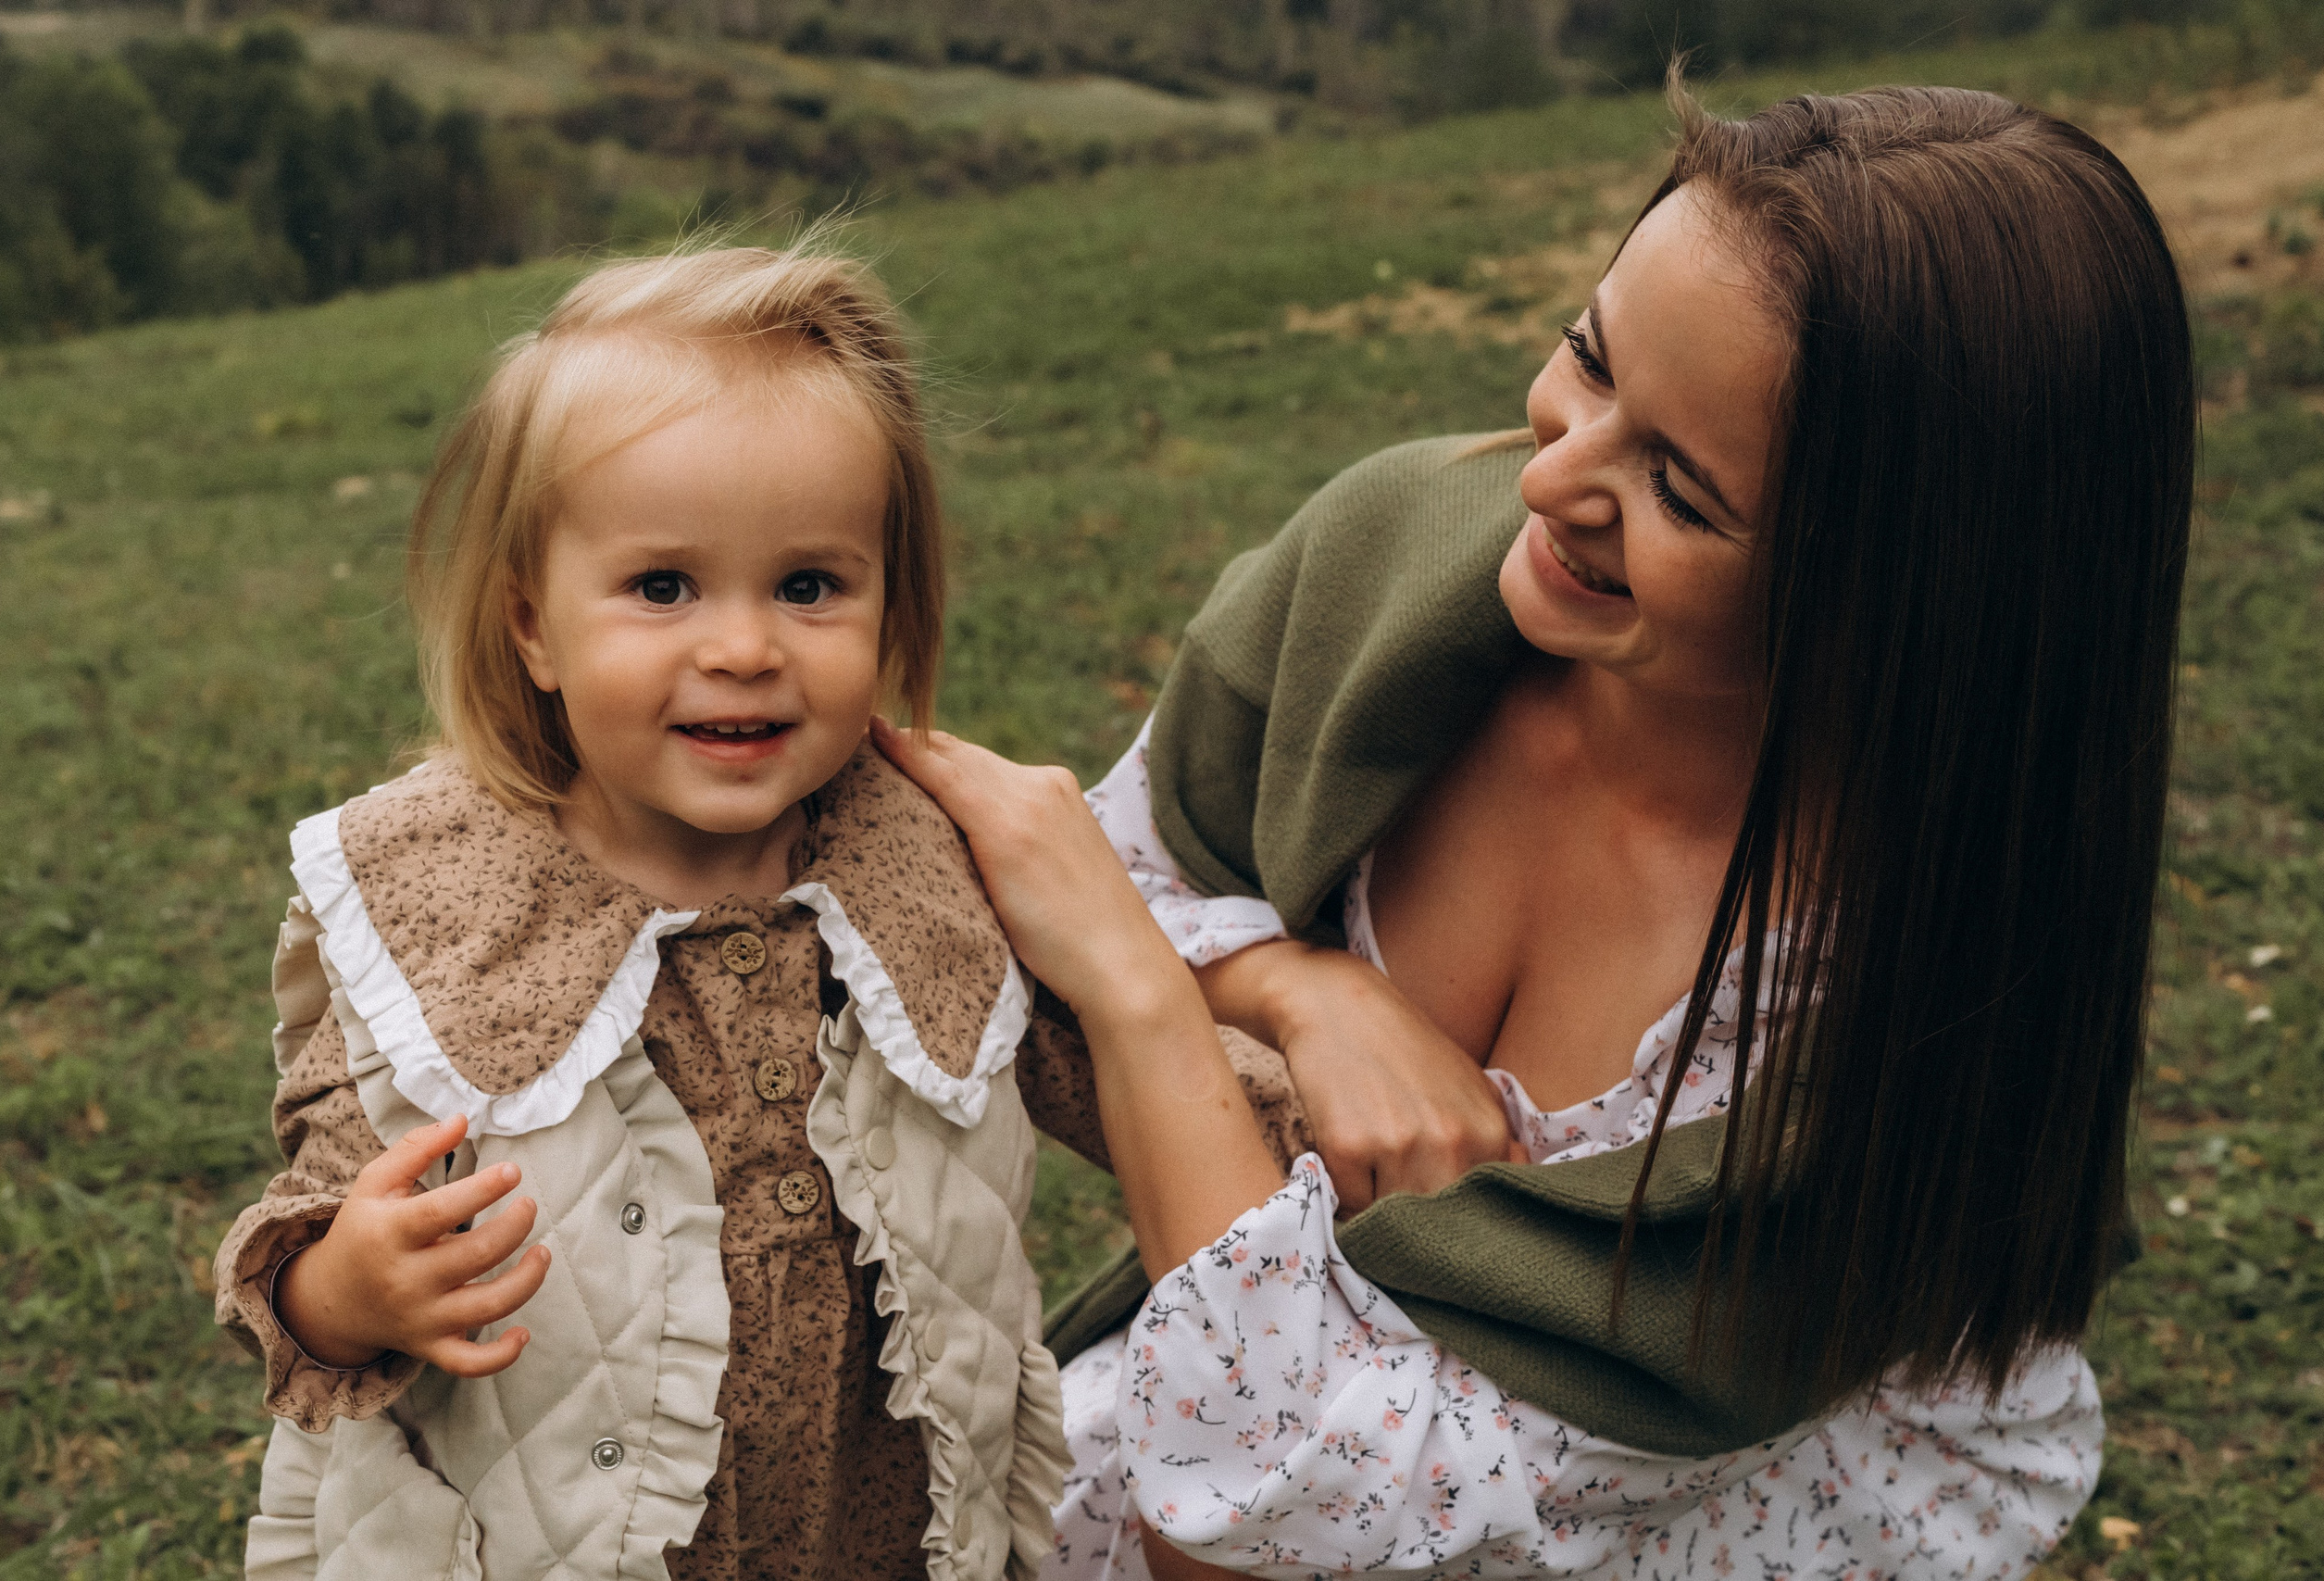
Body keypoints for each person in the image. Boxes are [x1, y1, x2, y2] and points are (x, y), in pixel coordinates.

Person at [876, 78, 2191, 1579]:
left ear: (1896, 605)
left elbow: (1290, 1503)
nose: (1552, 474)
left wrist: (1138, 995)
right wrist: (1300, 988)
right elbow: (1154, 850)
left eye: (1678, 489)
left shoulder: (1888, 1038)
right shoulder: (1395, 557)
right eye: (1590, 356)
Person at [210, 242, 1118, 1581]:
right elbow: (310, 1224)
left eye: (809, 586)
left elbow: (1123, 1076)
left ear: (889, 601)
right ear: (533, 630)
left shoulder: (928, 867)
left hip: (869, 1535)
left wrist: (1297, 1093)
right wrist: (351, 1287)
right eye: (663, 587)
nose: (744, 646)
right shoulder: (438, 907)